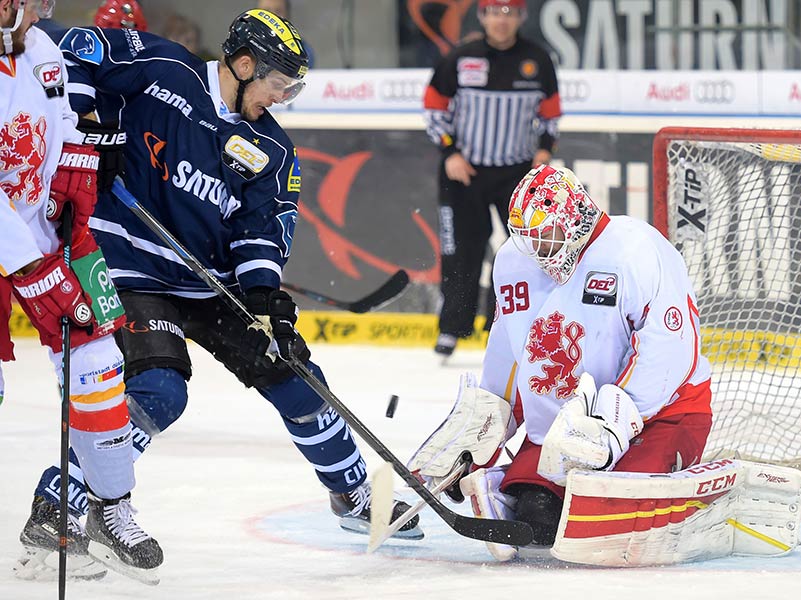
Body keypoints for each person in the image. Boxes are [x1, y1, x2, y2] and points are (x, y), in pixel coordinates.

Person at [24, 8, 422, 570]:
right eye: (279, 82)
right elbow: (72, 51)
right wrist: (85, 124)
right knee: (159, 390)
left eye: (291, 87)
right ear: (242, 64)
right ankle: (62, 501)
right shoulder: (166, 68)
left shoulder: (272, 149)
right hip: (127, 262)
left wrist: (264, 297)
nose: (282, 97)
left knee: (298, 379)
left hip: (209, 282)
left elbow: (262, 231)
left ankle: (353, 493)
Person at [409, 165, 713, 559]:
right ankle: (500, 484)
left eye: (547, 237)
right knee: (537, 514)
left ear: (576, 219)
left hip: (661, 415)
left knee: (607, 506)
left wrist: (613, 422)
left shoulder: (635, 250)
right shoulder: (514, 263)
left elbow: (671, 349)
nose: (539, 251)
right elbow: (509, 353)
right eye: (530, 240)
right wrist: (481, 428)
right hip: (562, 430)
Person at [1, 0, 162, 582]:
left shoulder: (44, 52)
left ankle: (109, 510)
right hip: (12, 245)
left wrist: (75, 184)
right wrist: (30, 267)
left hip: (49, 231)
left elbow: (66, 128)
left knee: (100, 362)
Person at [424, 0, 561, 358]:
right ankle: (452, 328)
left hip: (516, 175)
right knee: (460, 252)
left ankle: (505, 326)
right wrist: (449, 152)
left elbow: (550, 115)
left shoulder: (538, 59)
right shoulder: (460, 57)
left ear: (521, 18)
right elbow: (433, 109)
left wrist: (544, 153)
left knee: (524, 252)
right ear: (482, 16)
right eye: (494, 12)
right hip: (463, 172)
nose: (502, 20)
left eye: (510, 13)